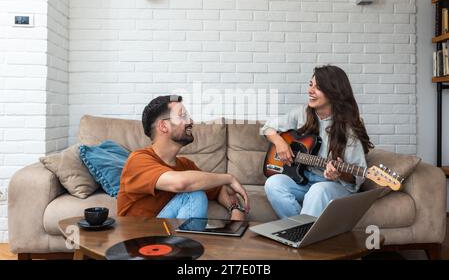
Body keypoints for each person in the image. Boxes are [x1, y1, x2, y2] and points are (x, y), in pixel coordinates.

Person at [261, 65, 374, 219]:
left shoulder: (349, 128)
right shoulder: (301, 113)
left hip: (333, 185)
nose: (310, 91)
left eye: (318, 87)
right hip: (304, 178)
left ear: (333, 92)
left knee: (318, 190)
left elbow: (357, 177)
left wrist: (340, 174)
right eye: (310, 85)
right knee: (273, 184)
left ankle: (299, 234)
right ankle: (299, 232)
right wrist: (280, 143)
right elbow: (268, 128)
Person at [117, 95, 250, 221]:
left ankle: (186, 243)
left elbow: (218, 189)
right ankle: (187, 244)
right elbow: (181, 184)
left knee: (197, 189)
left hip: (166, 235)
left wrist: (236, 209)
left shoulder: (186, 165)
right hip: (138, 237)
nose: (191, 121)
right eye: (183, 116)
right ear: (163, 126)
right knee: (193, 195)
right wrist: (229, 177)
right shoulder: (138, 159)